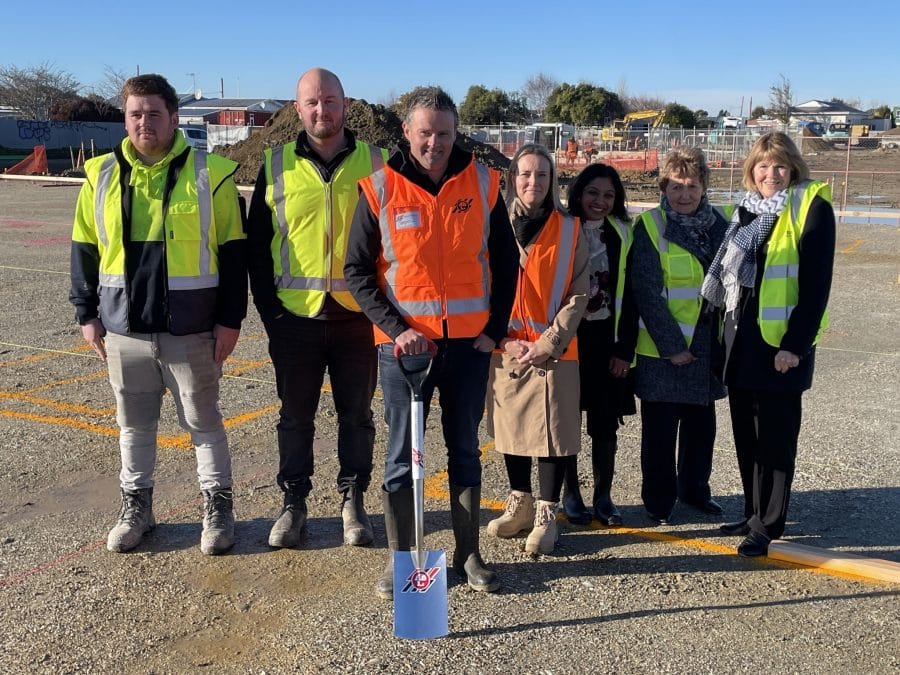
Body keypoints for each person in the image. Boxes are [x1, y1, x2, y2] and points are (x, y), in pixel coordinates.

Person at [344, 85, 518, 598]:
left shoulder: (484, 183)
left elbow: (507, 265)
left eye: (444, 133)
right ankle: (404, 562)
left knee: (465, 450)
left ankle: (469, 556)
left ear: (455, 132)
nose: (435, 143)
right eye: (426, 133)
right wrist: (399, 331)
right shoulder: (379, 189)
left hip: (468, 349)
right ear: (407, 132)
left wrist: (493, 330)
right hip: (404, 353)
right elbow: (357, 272)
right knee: (402, 457)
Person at [69, 74, 247, 555]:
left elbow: (234, 257)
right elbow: (84, 249)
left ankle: (217, 509)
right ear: (125, 119)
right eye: (135, 113)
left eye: (153, 113)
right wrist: (87, 314)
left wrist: (231, 320)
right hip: (124, 329)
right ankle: (137, 507)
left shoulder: (214, 174)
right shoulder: (100, 174)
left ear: (173, 117)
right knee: (134, 424)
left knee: (203, 422)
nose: (143, 121)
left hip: (192, 329)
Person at [247, 68, 387, 549]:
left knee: (357, 417)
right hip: (295, 320)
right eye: (312, 102)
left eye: (330, 101)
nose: (321, 110)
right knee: (294, 417)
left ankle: (354, 502)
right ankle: (294, 504)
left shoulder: (379, 161)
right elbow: (258, 248)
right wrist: (272, 315)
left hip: (359, 318)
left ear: (346, 105)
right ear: (297, 109)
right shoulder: (276, 164)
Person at [701, 132, 835, 556]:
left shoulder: (810, 206)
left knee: (775, 437)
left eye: (779, 165)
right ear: (751, 171)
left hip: (780, 344)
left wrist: (795, 345)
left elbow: (816, 286)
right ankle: (752, 510)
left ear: (793, 167)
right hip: (742, 340)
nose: (770, 174)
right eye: (762, 165)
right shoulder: (745, 212)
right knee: (747, 433)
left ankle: (768, 524)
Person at [484, 144, 588, 554]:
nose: (533, 182)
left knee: (552, 434)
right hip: (507, 347)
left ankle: (547, 512)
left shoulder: (570, 228)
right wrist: (503, 338)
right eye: (525, 174)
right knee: (512, 430)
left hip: (556, 350)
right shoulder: (493, 225)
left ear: (552, 180)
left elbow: (579, 293)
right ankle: (520, 503)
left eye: (542, 175)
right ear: (512, 179)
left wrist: (548, 342)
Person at [630, 147, 730, 524]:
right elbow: (646, 293)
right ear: (663, 187)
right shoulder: (651, 227)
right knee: (659, 433)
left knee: (702, 431)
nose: (683, 195)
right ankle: (658, 501)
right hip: (665, 351)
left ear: (704, 185)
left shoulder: (722, 223)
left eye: (691, 186)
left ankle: (695, 491)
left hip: (708, 349)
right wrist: (673, 347)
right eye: (675, 186)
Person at [560, 163, 638, 526]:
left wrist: (625, 350)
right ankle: (570, 493)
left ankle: (603, 494)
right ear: (578, 192)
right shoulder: (561, 229)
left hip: (608, 340)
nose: (600, 201)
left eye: (609, 195)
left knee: (605, 424)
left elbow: (634, 295)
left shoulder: (623, 234)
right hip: (570, 340)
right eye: (593, 192)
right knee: (567, 421)